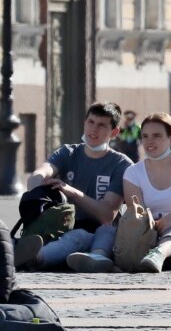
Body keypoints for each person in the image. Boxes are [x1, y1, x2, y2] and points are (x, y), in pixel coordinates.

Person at [14, 102, 133, 272]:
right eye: (91, 122)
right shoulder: (67, 153)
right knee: (58, 236)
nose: (94, 129)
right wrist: (40, 191)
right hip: (61, 225)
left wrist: (70, 191)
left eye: (101, 125)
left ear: (114, 132)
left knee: (79, 237)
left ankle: (33, 258)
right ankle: (18, 251)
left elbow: (107, 215)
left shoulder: (121, 164)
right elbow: (37, 176)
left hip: (96, 231)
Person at [112, 113, 171, 273]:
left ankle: (160, 253)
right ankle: (105, 257)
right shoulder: (132, 173)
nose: (150, 141)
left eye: (157, 135)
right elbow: (138, 213)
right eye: (145, 136)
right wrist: (154, 226)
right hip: (149, 238)